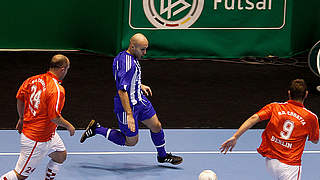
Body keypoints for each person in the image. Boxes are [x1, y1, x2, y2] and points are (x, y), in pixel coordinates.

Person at [80, 33, 183, 165]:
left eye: (146, 48)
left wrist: (139, 85)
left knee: (156, 126)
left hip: (139, 100)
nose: (145, 52)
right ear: (133, 46)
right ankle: (97, 129)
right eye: (142, 49)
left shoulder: (123, 56)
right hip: (126, 106)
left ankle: (162, 156)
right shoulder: (128, 64)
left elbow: (124, 79)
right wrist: (129, 114)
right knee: (131, 142)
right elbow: (122, 90)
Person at [220, 79, 319, 180]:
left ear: (289, 93)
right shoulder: (310, 117)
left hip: (271, 163)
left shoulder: (275, 107)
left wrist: (236, 136)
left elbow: (254, 118)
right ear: (306, 94)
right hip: (290, 166)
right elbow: (315, 140)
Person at [1, 54, 75, 180]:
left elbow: (20, 98)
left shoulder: (32, 80)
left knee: (60, 155)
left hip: (49, 133)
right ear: (63, 69)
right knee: (20, 175)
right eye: (67, 69)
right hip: (37, 138)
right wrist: (69, 126)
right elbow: (54, 117)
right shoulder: (57, 89)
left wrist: (21, 118)